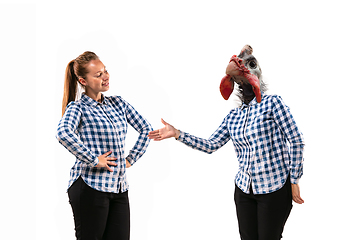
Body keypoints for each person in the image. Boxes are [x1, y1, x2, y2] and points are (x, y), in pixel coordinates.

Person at [148, 46, 305, 240]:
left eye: (250, 63)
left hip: (274, 189)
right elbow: (211, 144)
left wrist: (294, 180)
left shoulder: (273, 104)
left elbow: (296, 140)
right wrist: (177, 133)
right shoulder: (233, 117)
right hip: (244, 191)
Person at [56, 51, 152, 240]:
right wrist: (94, 159)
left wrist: (130, 160)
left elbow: (146, 129)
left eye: (105, 71)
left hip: (119, 188)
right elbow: (63, 133)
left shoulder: (118, 103)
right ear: (83, 81)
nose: (105, 77)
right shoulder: (77, 108)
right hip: (90, 187)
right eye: (98, 74)